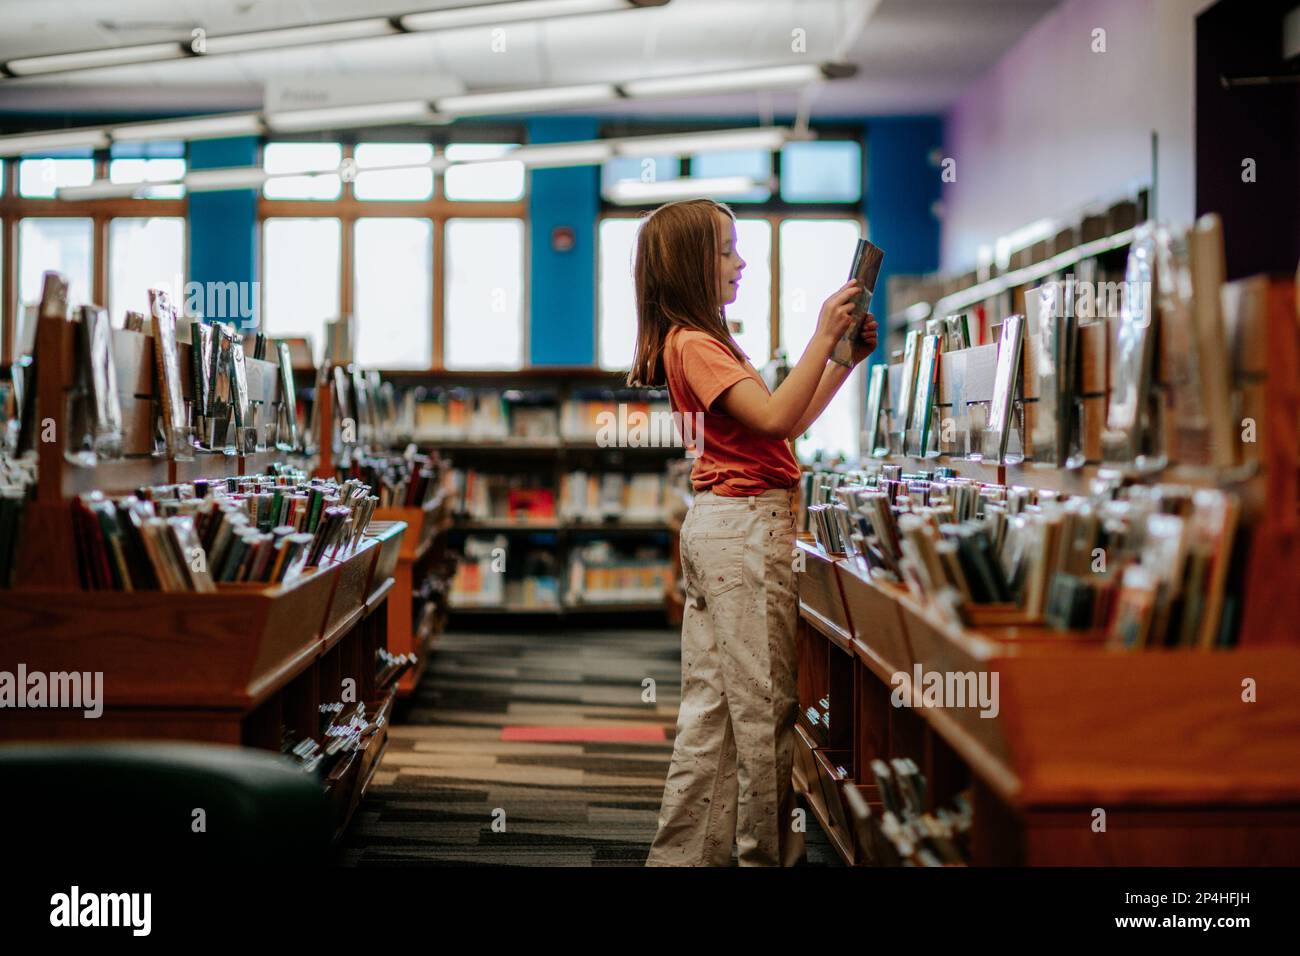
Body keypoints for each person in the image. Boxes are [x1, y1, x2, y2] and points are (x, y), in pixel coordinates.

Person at [629, 198, 876, 866]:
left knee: (711, 716)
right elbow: (772, 419)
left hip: (723, 530)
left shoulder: (699, 342)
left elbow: (783, 423)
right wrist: (822, 337)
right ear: (689, 264)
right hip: (742, 534)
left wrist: (840, 362)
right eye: (727, 250)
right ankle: (766, 860)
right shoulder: (698, 345)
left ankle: (684, 858)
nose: (741, 263)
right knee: (765, 713)